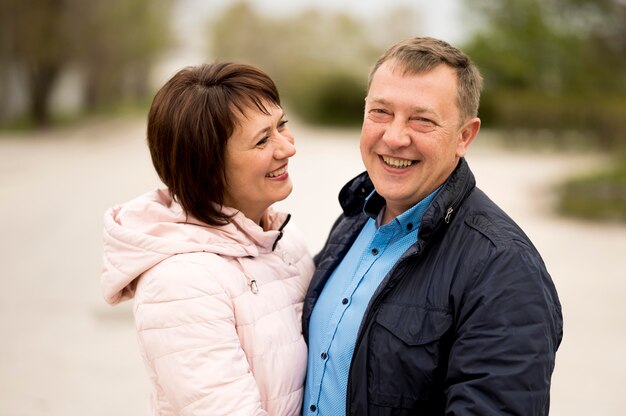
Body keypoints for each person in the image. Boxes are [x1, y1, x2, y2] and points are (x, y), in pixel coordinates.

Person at [302, 37, 563, 415]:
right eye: (380, 112)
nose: (394, 137)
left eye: (422, 120)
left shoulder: (504, 267)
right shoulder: (353, 220)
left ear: (465, 136)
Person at [101, 62, 314, 415]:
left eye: (282, 125)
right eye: (263, 140)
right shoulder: (180, 283)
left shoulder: (284, 239)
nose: (287, 148)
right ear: (208, 167)